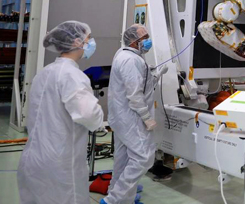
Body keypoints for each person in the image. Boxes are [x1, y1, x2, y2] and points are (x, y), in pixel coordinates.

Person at [17, 21, 103, 204]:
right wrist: (99, 112)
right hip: (60, 164)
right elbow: (89, 115)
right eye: (89, 39)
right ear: (76, 42)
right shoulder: (72, 75)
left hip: (34, 159)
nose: (91, 42)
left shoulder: (45, 72)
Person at [103, 24, 157, 204]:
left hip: (120, 116)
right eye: (145, 38)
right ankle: (115, 199)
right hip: (131, 117)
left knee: (123, 157)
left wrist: (154, 76)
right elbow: (134, 95)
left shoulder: (125, 54)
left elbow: (137, 84)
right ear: (134, 42)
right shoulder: (131, 60)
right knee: (143, 157)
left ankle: (119, 191)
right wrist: (147, 118)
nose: (148, 41)